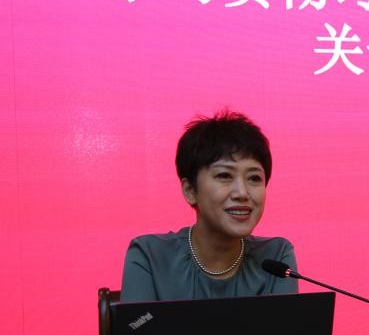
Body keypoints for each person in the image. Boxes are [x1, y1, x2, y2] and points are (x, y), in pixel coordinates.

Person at [121, 110, 298, 301]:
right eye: (224, 175)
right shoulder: (150, 256)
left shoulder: (276, 257)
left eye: (254, 178)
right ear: (190, 190)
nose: (242, 193)